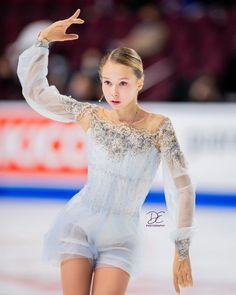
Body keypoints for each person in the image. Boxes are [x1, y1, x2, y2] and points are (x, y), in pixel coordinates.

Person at [17, 9, 196, 295]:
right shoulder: (91, 115)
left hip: (122, 237)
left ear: (139, 83)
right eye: (107, 82)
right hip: (79, 225)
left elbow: (182, 188)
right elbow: (37, 94)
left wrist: (182, 248)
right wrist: (42, 42)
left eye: (123, 83)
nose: (114, 91)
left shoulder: (159, 127)